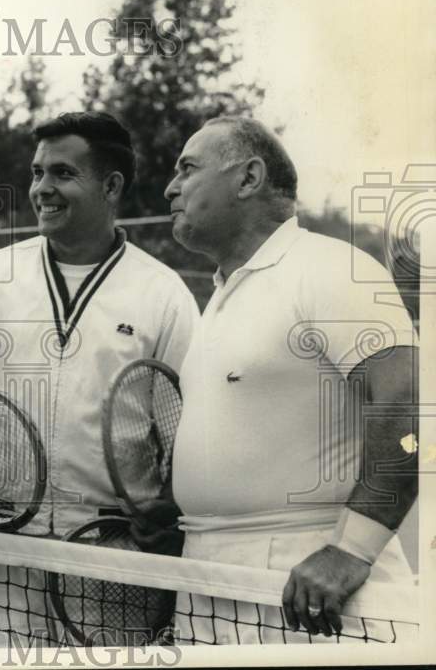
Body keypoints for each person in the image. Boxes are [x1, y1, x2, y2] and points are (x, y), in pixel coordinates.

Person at [0, 111, 199, 642]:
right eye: (37, 173)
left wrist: (167, 509)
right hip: (2, 545)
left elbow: (188, 428)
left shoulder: (164, 292)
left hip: (114, 555)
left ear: (112, 185)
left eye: (62, 173)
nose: (42, 189)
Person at [164, 116, 418, 644]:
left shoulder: (329, 267)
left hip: (314, 587)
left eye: (187, 169)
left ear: (248, 178)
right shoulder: (220, 297)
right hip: (205, 581)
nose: (171, 187)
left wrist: (352, 549)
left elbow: (409, 405)